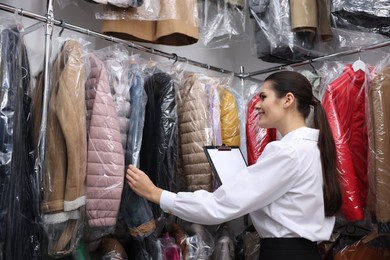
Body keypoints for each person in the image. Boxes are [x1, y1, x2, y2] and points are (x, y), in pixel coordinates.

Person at [126, 70, 342, 260]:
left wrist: (157, 194)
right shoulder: (314, 146)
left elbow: (218, 207)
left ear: (287, 100)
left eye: (263, 97)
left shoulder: (287, 151)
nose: (256, 104)